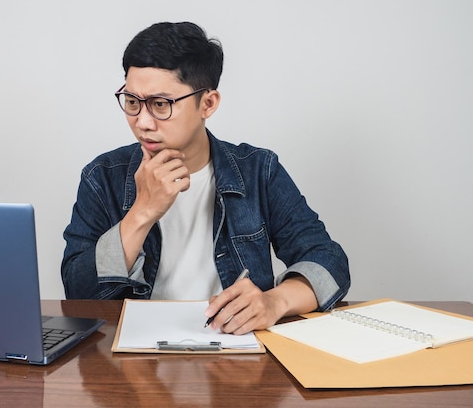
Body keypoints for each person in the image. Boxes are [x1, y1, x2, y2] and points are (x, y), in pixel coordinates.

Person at [61, 22, 350, 334]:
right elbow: (78, 294)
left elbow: (329, 262)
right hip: (134, 359)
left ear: (208, 104)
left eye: (160, 104)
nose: (142, 122)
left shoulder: (258, 171)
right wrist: (142, 211)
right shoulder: (102, 177)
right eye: (132, 102)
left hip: (235, 353)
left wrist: (274, 302)